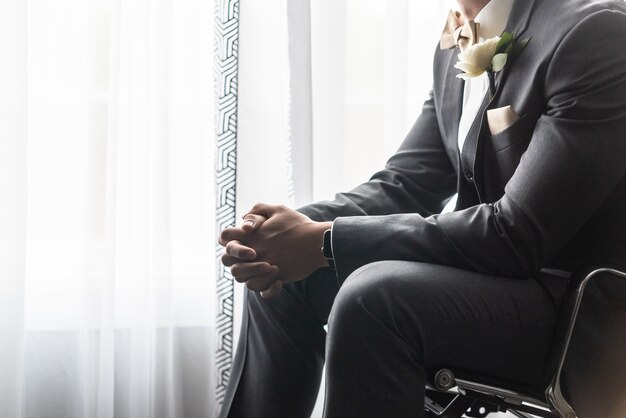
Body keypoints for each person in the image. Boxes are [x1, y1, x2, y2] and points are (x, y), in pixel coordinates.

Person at [218, 0, 626, 416]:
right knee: (287, 279)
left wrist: (323, 241)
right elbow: (406, 182)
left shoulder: (594, 33)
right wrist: (287, 232)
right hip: (496, 281)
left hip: (581, 313)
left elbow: (516, 234)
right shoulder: (457, 37)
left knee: (374, 298)